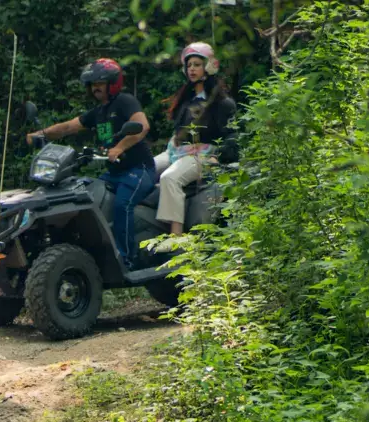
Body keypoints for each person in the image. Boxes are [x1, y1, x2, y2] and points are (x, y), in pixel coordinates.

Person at [26, 59, 154, 267]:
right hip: (114, 173)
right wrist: (42, 134)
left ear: (112, 83)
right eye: (92, 84)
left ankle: (129, 259)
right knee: (88, 197)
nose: (95, 88)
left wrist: (120, 148)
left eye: (100, 83)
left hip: (139, 169)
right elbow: (68, 127)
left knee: (123, 204)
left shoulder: (125, 101)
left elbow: (142, 125)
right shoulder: (99, 112)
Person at [154, 43, 238, 235]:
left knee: (169, 178)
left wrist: (220, 154)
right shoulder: (186, 99)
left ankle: (176, 236)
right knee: (147, 169)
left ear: (208, 67)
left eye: (197, 64)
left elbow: (232, 135)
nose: (192, 69)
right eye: (189, 65)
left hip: (204, 154)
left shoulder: (221, 102)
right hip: (177, 151)